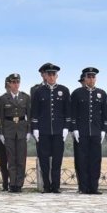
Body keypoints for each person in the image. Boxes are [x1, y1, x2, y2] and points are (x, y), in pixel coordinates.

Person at [30, 62, 70, 194]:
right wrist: (35, 128)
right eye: (49, 74)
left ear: (57, 76)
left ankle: (56, 186)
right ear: (45, 76)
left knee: (57, 160)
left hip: (59, 130)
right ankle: (46, 186)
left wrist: (66, 127)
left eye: (54, 74)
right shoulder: (39, 91)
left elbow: (67, 111)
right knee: (44, 160)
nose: (52, 77)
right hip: (43, 130)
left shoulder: (64, 90)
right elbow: (35, 111)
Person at [71, 67, 107, 194]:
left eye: (93, 77)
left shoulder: (101, 93)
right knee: (81, 160)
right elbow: (73, 113)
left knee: (95, 160)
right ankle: (83, 187)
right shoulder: (77, 93)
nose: (91, 79)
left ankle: (94, 187)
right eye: (89, 77)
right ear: (85, 78)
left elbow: (105, 115)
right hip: (81, 132)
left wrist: (103, 130)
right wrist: (74, 129)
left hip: (96, 132)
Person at [0, 73, 31, 192]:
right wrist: (1, 133)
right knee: (11, 159)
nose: (16, 84)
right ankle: (12, 184)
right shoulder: (3, 98)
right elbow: (0, 116)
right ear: (9, 84)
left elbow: (29, 116)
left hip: (21, 130)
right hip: (8, 130)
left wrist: (29, 131)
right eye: (13, 82)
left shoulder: (25, 97)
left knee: (21, 159)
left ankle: (19, 184)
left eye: (17, 82)